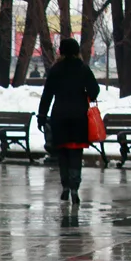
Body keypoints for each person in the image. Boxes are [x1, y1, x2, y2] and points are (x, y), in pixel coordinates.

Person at [37, 37, 100, 205]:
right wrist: (87, 95)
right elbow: (95, 89)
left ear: (61, 52)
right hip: (79, 117)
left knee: (63, 153)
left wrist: (41, 116)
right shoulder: (83, 69)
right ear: (77, 51)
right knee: (76, 154)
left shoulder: (56, 70)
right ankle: (74, 188)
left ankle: (65, 187)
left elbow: (47, 95)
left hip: (60, 117)